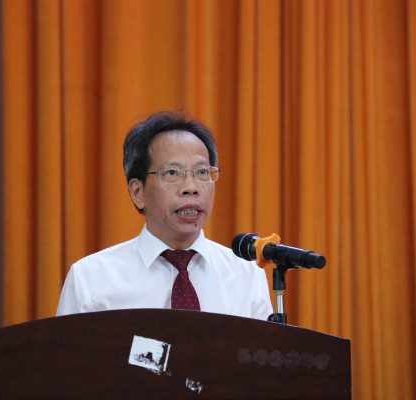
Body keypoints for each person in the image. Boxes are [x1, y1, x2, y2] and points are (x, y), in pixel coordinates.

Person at [56, 111, 272, 320]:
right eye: (172, 173)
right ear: (137, 192)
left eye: (202, 172)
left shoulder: (246, 275)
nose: (191, 188)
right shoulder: (91, 279)